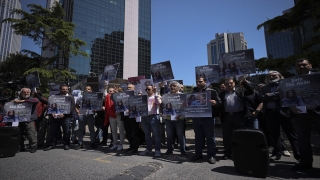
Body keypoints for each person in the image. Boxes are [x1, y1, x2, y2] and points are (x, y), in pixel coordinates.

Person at [259, 71, 300, 161]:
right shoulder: (264, 87)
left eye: (274, 75)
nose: (272, 77)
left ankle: (299, 155)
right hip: (270, 114)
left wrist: (270, 95)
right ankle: (276, 153)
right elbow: (261, 97)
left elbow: (286, 94)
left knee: (291, 135)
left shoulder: (285, 85)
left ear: (280, 76)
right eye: (270, 76)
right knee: (274, 135)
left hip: (284, 112)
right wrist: (275, 96)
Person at [290, 58, 320, 171]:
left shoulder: (318, 77)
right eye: (299, 65)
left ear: (310, 65)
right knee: (302, 140)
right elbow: (287, 96)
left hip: (318, 112)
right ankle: (305, 163)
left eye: (304, 65)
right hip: (299, 114)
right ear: (295, 68)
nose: (301, 67)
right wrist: (291, 106)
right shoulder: (291, 81)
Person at [219, 77, 254, 160]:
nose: (229, 85)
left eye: (230, 83)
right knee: (227, 136)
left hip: (239, 116)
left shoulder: (240, 90)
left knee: (240, 135)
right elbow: (219, 105)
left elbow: (250, 91)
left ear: (234, 83)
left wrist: (244, 82)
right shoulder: (222, 93)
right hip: (227, 117)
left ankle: (239, 153)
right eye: (226, 83)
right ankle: (227, 153)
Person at [190, 77, 221, 164]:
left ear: (205, 82)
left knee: (210, 137)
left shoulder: (212, 91)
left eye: (200, 81)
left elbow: (220, 103)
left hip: (208, 118)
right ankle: (198, 154)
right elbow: (190, 104)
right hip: (196, 118)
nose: (198, 83)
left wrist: (215, 103)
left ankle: (211, 155)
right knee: (198, 137)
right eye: (197, 82)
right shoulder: (193, 92)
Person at [43, 85, 75, 151]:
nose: (65, 90)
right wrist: (52, 113)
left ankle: (66, 144)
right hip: (55, 117)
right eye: (63, 89)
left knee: (66, 131)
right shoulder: (54, 97)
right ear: (60, 89)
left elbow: (72, 107)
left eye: (66, 89)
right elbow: (49, 106)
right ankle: (52, 145)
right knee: (53, 131)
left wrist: (65, 114)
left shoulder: (70, 97)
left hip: (66, 117)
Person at [162, 81, 187, 158]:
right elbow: (163, 106)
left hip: (179, 118)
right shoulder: (166, 96)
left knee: (180, 134)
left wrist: (185, 105)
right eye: (171, 86)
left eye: (174, 86)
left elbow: (185, 108)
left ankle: (183, 151)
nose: (172, 87)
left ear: (178, 88)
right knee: (169, 134)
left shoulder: (183, 96)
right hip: (168, 118)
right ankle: (169, 150)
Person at [14, 88, 39, 153]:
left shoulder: (32, 99)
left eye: (27, 92)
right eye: (24, 92)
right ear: (21, 93)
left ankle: (33, 146)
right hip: (18, 120)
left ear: (29, 93)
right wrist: (15, 101)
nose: (26, 93)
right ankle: (21, 147)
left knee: (31, 134)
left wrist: (22, 101)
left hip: (29, 120)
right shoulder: (17, 100)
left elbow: (36, 101)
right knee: (19, 134)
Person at [140, 85, 162, 157]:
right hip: (144, 117)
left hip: (154, 116)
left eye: (149, 89)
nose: (147, 91)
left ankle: (157, 150)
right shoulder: (144, 97)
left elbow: (159, 103)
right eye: (146, 89)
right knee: (147, 135)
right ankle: (148, 149)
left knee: (156, 135)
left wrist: (156, 94)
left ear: (153, 90)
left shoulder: (156, 96)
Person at [122, 84, 143, 155]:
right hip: (125, 117)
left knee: (135, 132)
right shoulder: (124, 96)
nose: (128, 88)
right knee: (128, 133)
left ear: (134, 88)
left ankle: (135, 148)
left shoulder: (137, 96)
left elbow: (139, 106)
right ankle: (131, 146)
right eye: (127, 87)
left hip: (134, 117)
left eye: (130, 87)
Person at [75, 86, 97, 150]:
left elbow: (97, 106)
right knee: (81, 130)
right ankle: (80, 143)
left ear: (91, 90)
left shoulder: (94, 98)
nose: (87, 90)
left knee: (91, 130)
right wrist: (78, 112)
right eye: (86, 89)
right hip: (82, 115)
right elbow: (76, 106)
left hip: (90, 115)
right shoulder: (80, 97)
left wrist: (95, 110)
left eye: (88, 89)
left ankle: (93, 142)